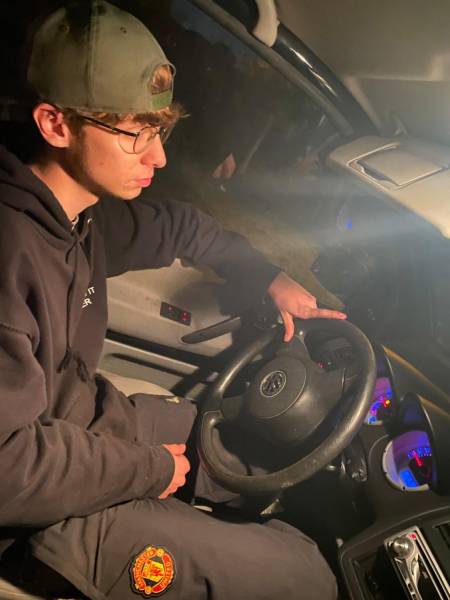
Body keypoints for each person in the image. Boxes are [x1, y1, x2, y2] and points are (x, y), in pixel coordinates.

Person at [0, 1, 345, 598]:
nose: (158, 155)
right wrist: (150, 469)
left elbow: (184, 228)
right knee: (303, 575)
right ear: (56, 124)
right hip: (33, 513)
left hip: (82, 425)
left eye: (159, 130)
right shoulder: (10, 249)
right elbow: (8, 465)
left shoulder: (82, 218)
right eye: (134, 132)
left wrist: (268, 277)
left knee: (259, 450)